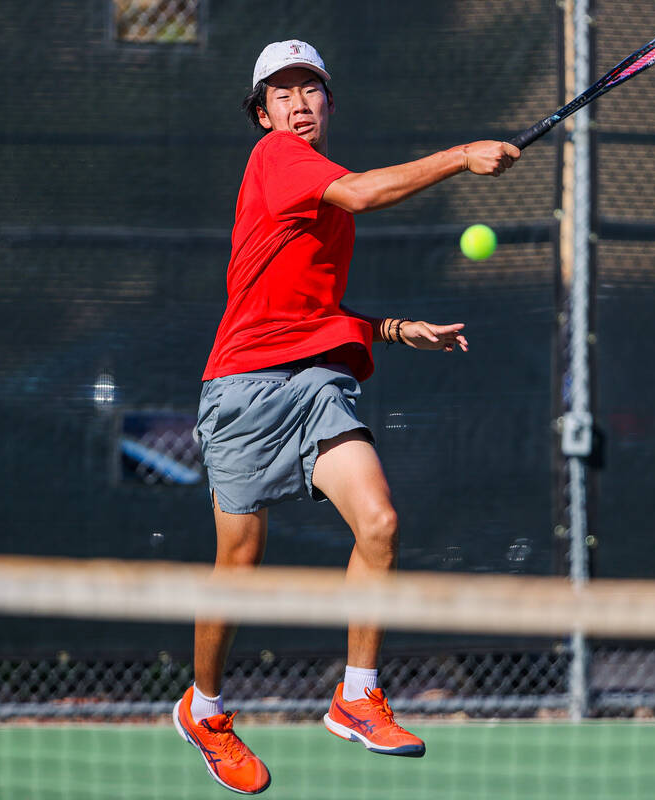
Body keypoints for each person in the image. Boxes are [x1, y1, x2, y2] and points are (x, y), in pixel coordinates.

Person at [172, 39, 520, 795]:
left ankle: (357, 695)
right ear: (262, 112)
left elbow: (312, 311)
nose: (299, 105)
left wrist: (397, 329)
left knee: (381, 523)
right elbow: (362, 194)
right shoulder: (277, 159)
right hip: (242, 388)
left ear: (329, 102)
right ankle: (204, 710)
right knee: (239, 566)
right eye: (283, 94)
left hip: (316, 381)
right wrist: (462, 154)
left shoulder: (321, 187)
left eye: (311, 91)